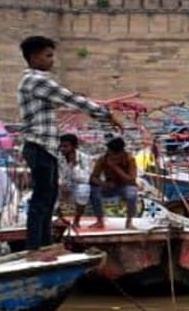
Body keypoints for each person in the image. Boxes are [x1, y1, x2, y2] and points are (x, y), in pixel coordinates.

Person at [16, 35, 115, 249]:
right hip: (39, 146)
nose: (52, 60)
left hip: (46, 148)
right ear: (34, 57)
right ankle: (36, 247)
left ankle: (44, 245)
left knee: (48, 197)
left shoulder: (34, 81)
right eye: (48, 55)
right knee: (42, 199)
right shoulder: (36, 81)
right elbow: (71, 99)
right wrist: (104, 114)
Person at [90, 137, 141, 229]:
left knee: (132, 193)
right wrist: (103, 184)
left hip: (125, 186)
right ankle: (99, 221)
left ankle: (129, 222)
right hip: (109, 187)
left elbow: (131, 180)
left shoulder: (129, 159)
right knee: (93, 191)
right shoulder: (103, 159)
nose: (112, 156)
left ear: (121, 153)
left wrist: (115, 167)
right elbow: (93, 177)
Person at [57, 133, 95, 226]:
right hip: (62, 186)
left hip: (77, 185)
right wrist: (61, 184)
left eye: (65, 146)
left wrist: (75, 166)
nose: (62, 149)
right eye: (61, 146)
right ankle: (60, 219)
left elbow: (86, 179)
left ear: (75, 146)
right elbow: (56, 174)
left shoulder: (84, 158)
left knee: (84, 189)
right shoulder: (58, 158)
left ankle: (76, 221)